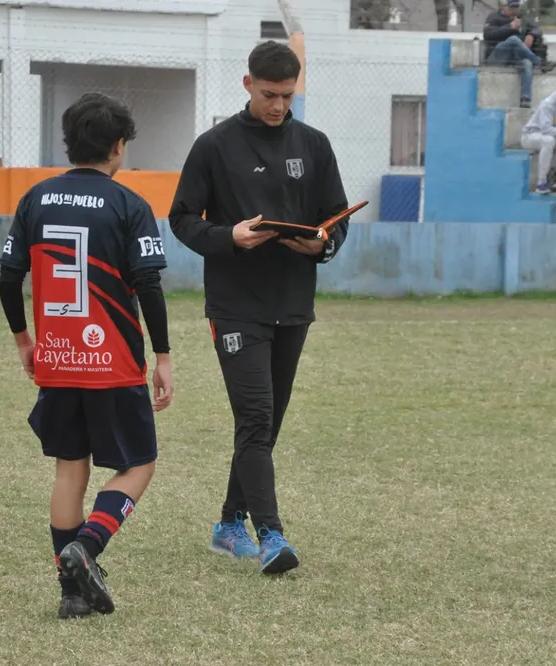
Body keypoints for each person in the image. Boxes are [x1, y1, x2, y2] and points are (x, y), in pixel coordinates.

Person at [168, 40, 350, 575]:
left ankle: (229, 524)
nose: (278, 105)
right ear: (248, 84)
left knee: (265, 427)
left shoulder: (314, 144)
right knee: (255, 417)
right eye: (270, 94)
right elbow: (182, 218)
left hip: (292, 304)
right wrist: (228, 236)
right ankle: (271, 536)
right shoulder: (214, 146)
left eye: (287, 95)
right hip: (235, 305)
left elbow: (337, 217)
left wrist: (323, 243)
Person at [0, 92, 173, 619]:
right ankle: (88, 547)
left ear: (69, 143)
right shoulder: (130, 206)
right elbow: (149, 286)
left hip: (57, 359)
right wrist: (163, 357)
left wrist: (24, 341)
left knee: (69, 472)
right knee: (139, 464)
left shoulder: (35, 199)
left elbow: (8, 279)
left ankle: (71, 595)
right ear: (118, 147)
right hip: (112, 362)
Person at [482, 0, 556, 108]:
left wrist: (531, 34)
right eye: (512, 8)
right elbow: (488, 35)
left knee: (527, 63)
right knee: (513, 39)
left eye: (516, 8)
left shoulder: (522, 19)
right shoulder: (494, 17)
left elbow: (538, 29)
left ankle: (525, 99)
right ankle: (541, 63)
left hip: (514, 59)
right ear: (504, 7)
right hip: (496, 57)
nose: (514, 10)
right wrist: (509, 27)